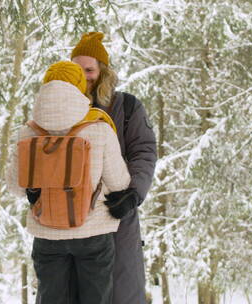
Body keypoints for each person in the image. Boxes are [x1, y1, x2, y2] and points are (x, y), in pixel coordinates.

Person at [6, 61, 131, 304]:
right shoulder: (99, 128)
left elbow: (15, 186)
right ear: (80, 88)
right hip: (93, 232)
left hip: (47, 233)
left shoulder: (28, 132)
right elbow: (119, 183)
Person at [68, 32, 158, 304]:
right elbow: (41, 152)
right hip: (70, 217)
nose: (84, 76)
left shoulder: (128, 107)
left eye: (90, 69)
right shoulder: (61, 108)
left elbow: (144, 151)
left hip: (116, 213)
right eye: (77, 69)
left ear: (103, 71)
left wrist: (132, 194)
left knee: (121, 293)